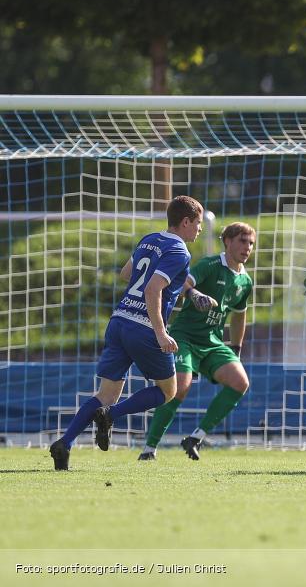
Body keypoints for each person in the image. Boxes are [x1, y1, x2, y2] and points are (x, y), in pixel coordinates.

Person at [49, 195, 204, 470]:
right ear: (185, 221)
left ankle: (65, 443)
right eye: (198, 223)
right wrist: (160, 333)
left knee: (105, 394)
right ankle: (111, 415)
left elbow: (125, 273)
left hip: (119, 321)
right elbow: (152, 289)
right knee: (169, 390)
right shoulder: (180, 251)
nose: (200, 229)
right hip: (145, 328)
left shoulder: (148, 240)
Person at [138, 222, 255, 461]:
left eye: (251, 243)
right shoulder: (210, 265)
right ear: (228, 241)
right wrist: (195, 294)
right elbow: (182, 283)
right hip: (186, 337)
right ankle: (149, 449)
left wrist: (236, 347)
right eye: (242, 241)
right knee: (180, 387)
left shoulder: (246, 281)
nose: (247, 247)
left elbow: (239, 315)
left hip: (213, 342)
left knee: (240, 382)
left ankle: (196, 437)